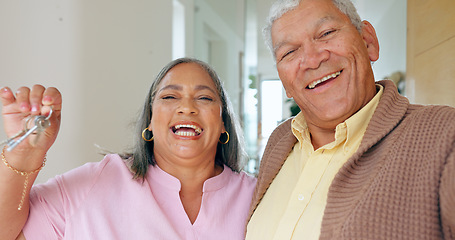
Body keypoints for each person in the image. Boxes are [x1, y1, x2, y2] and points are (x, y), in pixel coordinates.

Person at [246, 0, 455, 239]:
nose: (313, 60)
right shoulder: (279, 143)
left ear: (368, 42)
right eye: (289, 52)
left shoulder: (444, 135)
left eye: (326, 33)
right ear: (284, 81)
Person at [0, 57, 256, 240]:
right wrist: (25, 154)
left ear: (224, 124)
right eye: (169, 96)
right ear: (150, 122)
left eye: (204, 98)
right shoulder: (95, 184)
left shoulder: (258, 197)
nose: (186, 107)